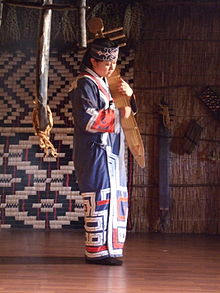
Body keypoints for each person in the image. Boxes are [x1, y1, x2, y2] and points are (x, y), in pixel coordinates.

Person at [69, 37, 137, 266]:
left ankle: (111, 249)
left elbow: (125, 107)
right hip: (95, 152)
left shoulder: (102, 83)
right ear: (93, 60)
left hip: (109, 152)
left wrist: (130, 95)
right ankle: (97, 250)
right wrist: (120, 114)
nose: (111, 67)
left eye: (113, 63)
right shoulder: (84, 83)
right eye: (106, 63)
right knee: (100, 197)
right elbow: (87, 119)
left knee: (113, 196)